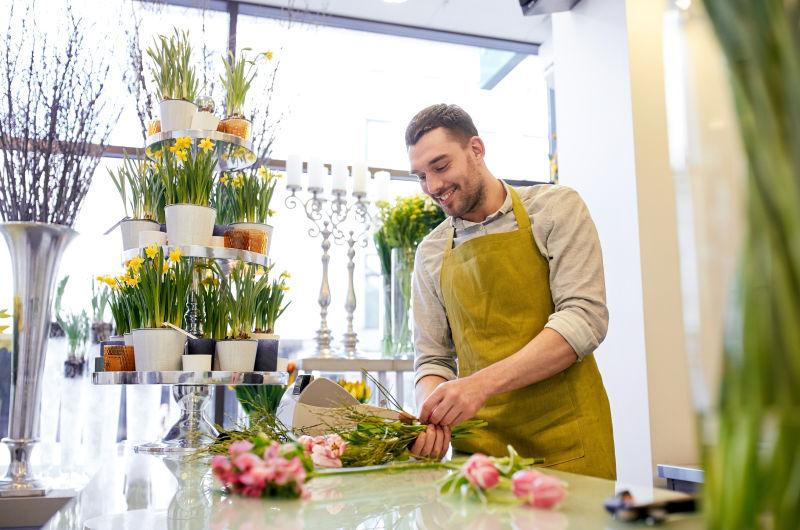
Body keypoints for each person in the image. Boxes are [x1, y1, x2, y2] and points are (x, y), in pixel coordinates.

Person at [406, 104, 616, 480]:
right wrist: (430, 413)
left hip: (569, 446)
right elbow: (432, 358)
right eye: (421, 176)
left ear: (476, 149)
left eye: (440, 166)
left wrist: (479, 386)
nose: (433, 186)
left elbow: (584, 318)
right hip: (480, 459)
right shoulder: (431, 253)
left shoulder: (555, 209)